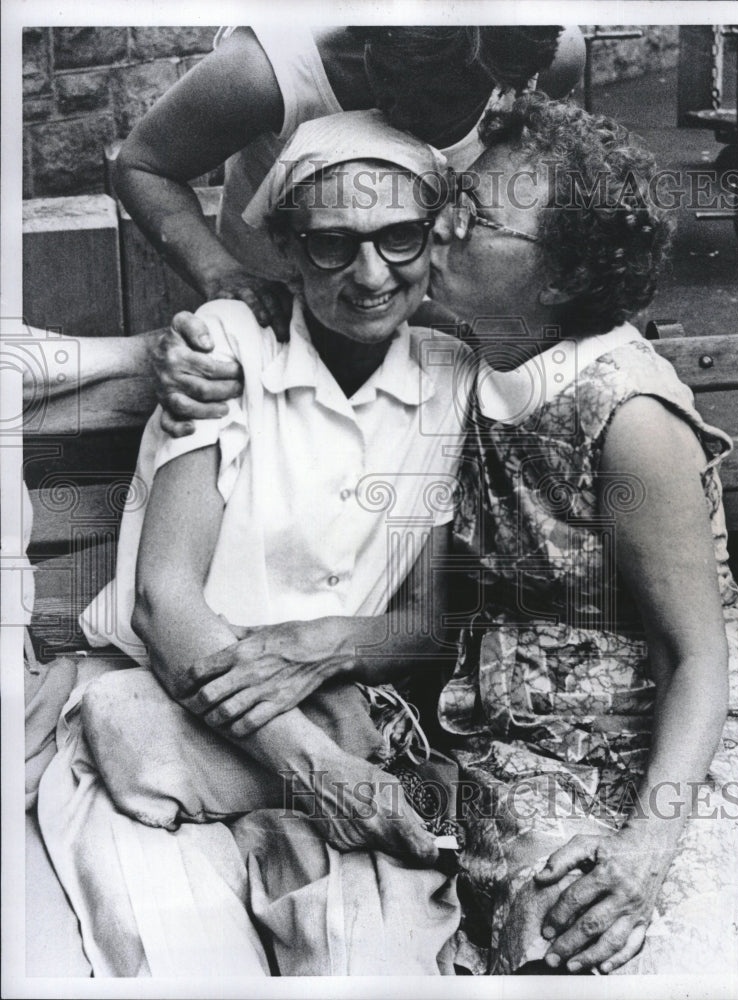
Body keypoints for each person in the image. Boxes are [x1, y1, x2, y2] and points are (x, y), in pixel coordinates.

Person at [175, 94, 738, 975]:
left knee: (650, 944)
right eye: (457, 199)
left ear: (563, 279)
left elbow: (694, 656)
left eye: (479, 219)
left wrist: (647, 852)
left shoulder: (629, 417)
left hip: (675, 751)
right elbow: (316, 306)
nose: (444, 229)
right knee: (554, 926)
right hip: (522, 742)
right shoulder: (476, 354)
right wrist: (182, 351)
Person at [36, 112, 471, 976]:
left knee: (371, 965)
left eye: (400, 237)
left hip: (345, 731)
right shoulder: (229, 348)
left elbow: (426, 622)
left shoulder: (452, 376)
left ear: (435, 239)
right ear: (283, 248)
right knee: (183, 957)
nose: (370, 272)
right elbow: (166, 603)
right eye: (331, 245)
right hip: (168, 731)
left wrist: (321, 652)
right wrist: (311, 766)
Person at [113, 25, 585, 350]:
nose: (400, 108)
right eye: (388, 74)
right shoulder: (263, 69)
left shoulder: (551, 60)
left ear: (508, 82)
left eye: (439, 96)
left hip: (443, 317)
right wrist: (220, 275)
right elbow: (143, 165)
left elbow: (541, 183)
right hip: (282, 308)